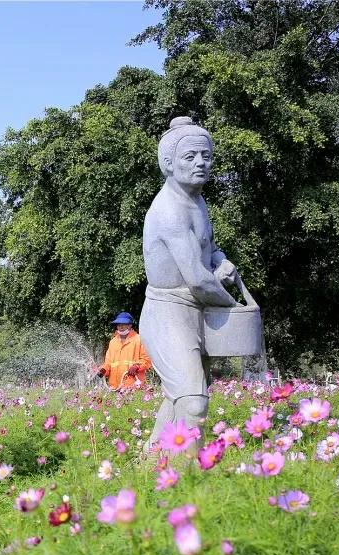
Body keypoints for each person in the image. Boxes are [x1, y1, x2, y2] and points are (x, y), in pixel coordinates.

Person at [139, 117, 242, 451]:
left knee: (178, 400)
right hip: (168, 311)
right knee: (194, 402)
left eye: (206, 156)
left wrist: (221, 261)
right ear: (168, 163)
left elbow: (208, 250)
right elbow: (198, 280)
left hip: (195, 311)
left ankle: (152, 465)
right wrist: (233, 303)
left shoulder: (197, 201)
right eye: (190, 157)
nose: (201, 163)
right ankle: (185, 482)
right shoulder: (169, 210)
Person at [95, 312, 152, 390]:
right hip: (114, 387)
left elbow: (147, 360)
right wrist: (103, 370)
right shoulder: (113, 342)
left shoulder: (139, 339)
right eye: (118, 324)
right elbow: (108, 363)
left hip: (134, 386)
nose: (120, 326)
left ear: (130, 325)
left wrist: (137, 366)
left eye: (123, 324)